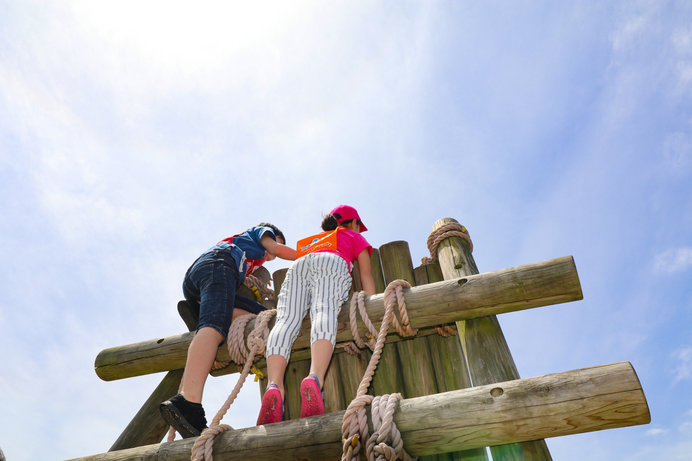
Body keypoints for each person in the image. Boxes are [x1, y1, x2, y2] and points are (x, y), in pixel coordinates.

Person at [161, 223, 297, 438]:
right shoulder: (260, 234)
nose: (273, 255)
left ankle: (209, 319)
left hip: (198, 279)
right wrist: (309, 252)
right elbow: (276, 249)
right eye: (278, 242)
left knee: (259, 313)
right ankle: (189, 401)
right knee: (213, 327)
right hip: (218, 266)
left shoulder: (247, 259)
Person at [256, 205, 376, 425]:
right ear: (354, 223)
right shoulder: (352, 236)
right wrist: (373, 308)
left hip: (299, 264)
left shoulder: (316, 239)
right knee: (324, 309)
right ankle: (314, 377)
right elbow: (366, 275)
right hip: (332, 262)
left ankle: (274, 386)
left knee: (285, 321)